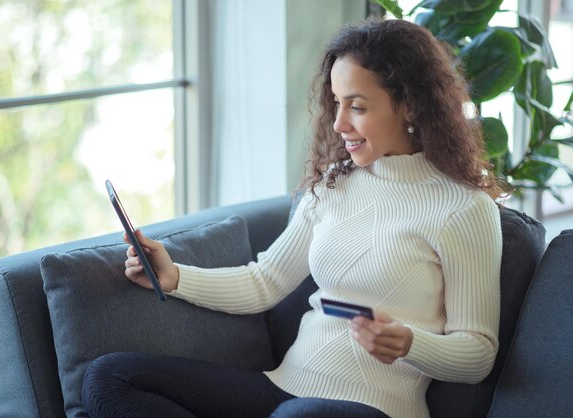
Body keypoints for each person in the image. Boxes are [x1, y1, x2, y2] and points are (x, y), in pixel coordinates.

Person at [82, 17, 503, 418]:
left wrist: (410, 342)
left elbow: (478, 354)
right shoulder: (335, 185)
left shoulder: (463, 209)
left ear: (409, 105)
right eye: (337, 103)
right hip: (284, 392)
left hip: (373, 408)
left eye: (356, 106)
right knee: (109, 378)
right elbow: (264, 281)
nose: (339, 123)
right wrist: (176, 277)